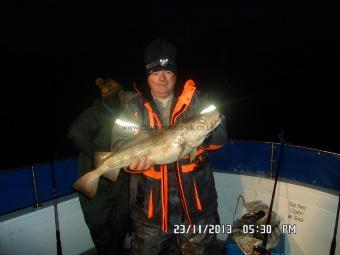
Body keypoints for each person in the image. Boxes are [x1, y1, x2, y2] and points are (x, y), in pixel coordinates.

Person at [110, 38, 227, 254]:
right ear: (147, 75)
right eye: (155, 72)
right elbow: (118, 140)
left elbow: (220, 133)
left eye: (167, 71)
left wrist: (201, 136)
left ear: (175, 73)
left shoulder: (197, 101)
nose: (162, 79)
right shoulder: (133, 107)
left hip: (196, 205)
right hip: (150, 208)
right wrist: (131, 164)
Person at [68, 78, 132, 254]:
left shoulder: (123, 115)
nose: (123, 96)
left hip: (120, 180)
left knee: (122, 220)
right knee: (100, 226)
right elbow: (76, 134)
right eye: (120, 94)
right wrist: (101, 157)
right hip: (98, 183)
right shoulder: (94, 114)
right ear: (114, 96)